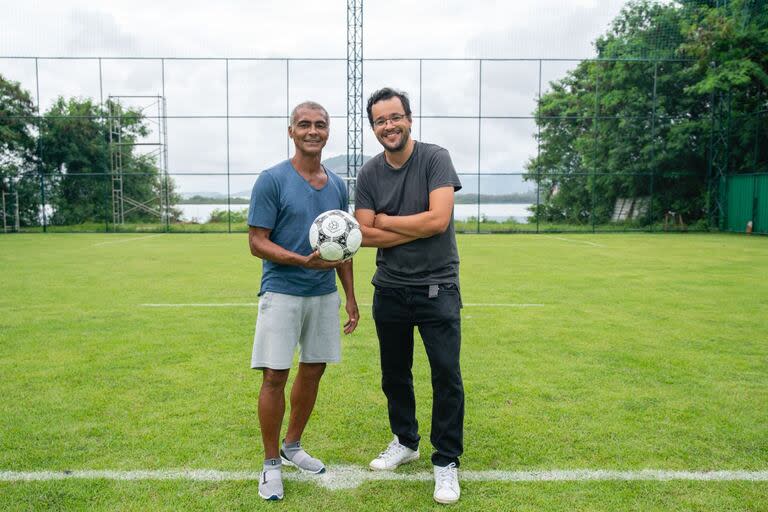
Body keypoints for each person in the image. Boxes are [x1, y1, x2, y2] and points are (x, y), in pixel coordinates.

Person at [354, 87, 464, 504]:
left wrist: (388, 221)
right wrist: (403, 226)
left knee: (446, 376)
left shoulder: (435, 158)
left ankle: (446, 462)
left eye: (395, 117)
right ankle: (405, 441)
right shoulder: (369, 173)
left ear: (409, 118)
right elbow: (362, 234)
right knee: (394, 374)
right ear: (374, 127)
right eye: (380, 120)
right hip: (390, 289)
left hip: (438, 288)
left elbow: (439, 220)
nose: (388, 126)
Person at [248, 101, 359, 501]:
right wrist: (301, 261)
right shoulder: (271, 180)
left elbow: (343, 246)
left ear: (328, 132)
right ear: (291, 131)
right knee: (275, 375)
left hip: (323, 296)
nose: (313, 131)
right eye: (304, 125)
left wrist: (350, 298)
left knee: (313, 371)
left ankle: (292, 446)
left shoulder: (337, 185)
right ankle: (270, 465)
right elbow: (256, 242)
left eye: (320, 125)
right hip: (281, 292)